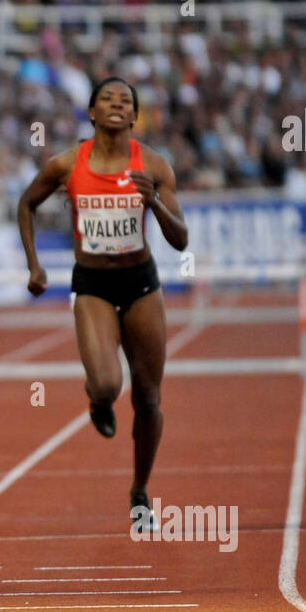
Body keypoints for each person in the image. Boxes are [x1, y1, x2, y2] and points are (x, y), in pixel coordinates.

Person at [17, 77, 188, 532]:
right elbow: (26, 203)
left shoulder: (153, 166)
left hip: (142, 283)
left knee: (149, 397)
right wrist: (34, 266)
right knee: (110, 384)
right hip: (92, 282)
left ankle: (139, 492)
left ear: (134, 116)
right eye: (107, 100)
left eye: (126, 102)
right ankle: (98, 399)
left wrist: (155, 203)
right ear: (92, 113)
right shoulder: (67, 164)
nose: (116, 106)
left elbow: (181, 239)